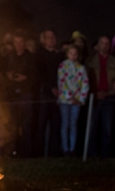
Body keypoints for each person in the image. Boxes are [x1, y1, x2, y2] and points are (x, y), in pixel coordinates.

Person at [86, 36, 115, 158]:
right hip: (94, 97)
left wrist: (108, 92)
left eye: (107, 43)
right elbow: (86, 79)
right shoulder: (90, 61)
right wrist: (94, 92)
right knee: (93, 127)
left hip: (109, 97)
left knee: (107, 128)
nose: (105, 45)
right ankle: (92, 154)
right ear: (98, 44)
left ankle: (105, 154)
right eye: (103, 43)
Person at [6, 29, 37, 157]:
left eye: (21, 42)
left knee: (26, 126)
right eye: (16, 42)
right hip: (13, 95)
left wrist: (25, 78)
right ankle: (13, 152)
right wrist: (10, 75)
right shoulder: (10, 56)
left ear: (24, 43)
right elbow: (6, 71)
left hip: (26, 94)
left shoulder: (30, 57)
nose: (18, 44)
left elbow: (34, 76)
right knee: (12, 125)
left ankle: (26, 154)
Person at [57, 45, 89, 156]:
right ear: (67, 54)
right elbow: (61, 83)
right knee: (65, 124)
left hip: (77, 101)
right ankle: (65, 148)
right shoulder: (62, 66)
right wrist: (69, 97)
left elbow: (85, 83)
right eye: (71, 53)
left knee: (73, 124)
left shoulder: (81, 68)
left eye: (75, 53)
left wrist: (80, 98)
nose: (73, 56)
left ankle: (72, 148)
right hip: (65, 101)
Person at [36, 29, 63, 157]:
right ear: (43, 40)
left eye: (53, 37)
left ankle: (54, 154)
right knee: (41, 125)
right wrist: (51, 87)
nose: (51, 39)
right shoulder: (40, 55)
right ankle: (39, 154)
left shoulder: (60, 56)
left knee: (55, 125)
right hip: (44, 94)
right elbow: (40, 75)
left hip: (58, 95)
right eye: (48, 37)